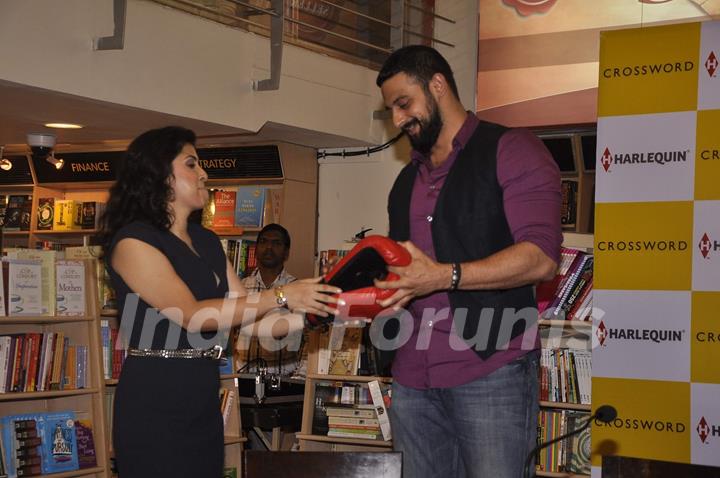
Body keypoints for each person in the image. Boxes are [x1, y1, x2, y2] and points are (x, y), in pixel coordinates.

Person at [98, 126, 341, 478]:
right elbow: (193, 316)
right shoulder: (133, 242)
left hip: (201, 398)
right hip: (154, 399)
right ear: (159, 174)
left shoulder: (207, 241)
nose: (204, 174)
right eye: (192, 164)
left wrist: (319, 312)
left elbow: (252, 320)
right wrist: (284, 295)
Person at [374, 45, 562, 478]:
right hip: (410, 377)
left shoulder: (512, 150)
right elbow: (404, 274)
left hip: (491, 368)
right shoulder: (405, 182)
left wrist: (444, 276)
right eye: (391, 111)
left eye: (404, 103)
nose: (398, 120)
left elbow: (540, 259)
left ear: (437, 85)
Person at [238, 223, 300, 376]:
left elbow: (309, 339)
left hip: (285, 380)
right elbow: (227, 334)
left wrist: (300, 378)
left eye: (276, 243)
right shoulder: (240, 287)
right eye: (264, 242)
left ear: (286, 252)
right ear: (256, 248)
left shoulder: (297, 289)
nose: (269, 247)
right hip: (242, 376)